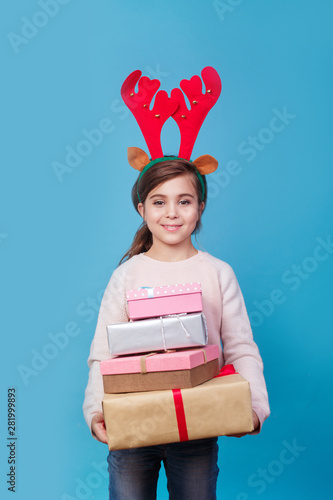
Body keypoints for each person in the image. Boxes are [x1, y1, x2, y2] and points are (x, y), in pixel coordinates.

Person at [83, 157, 270, 500]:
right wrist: (96, 409)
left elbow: (241, 348)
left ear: (200, 207)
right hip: (133, 423)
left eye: (183, 201)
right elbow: (104, 354)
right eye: (159, 202)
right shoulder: (126, 276)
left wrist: (254, 406)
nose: (172, 213)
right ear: (142, 209)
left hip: (197, 426)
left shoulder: (217, 272)